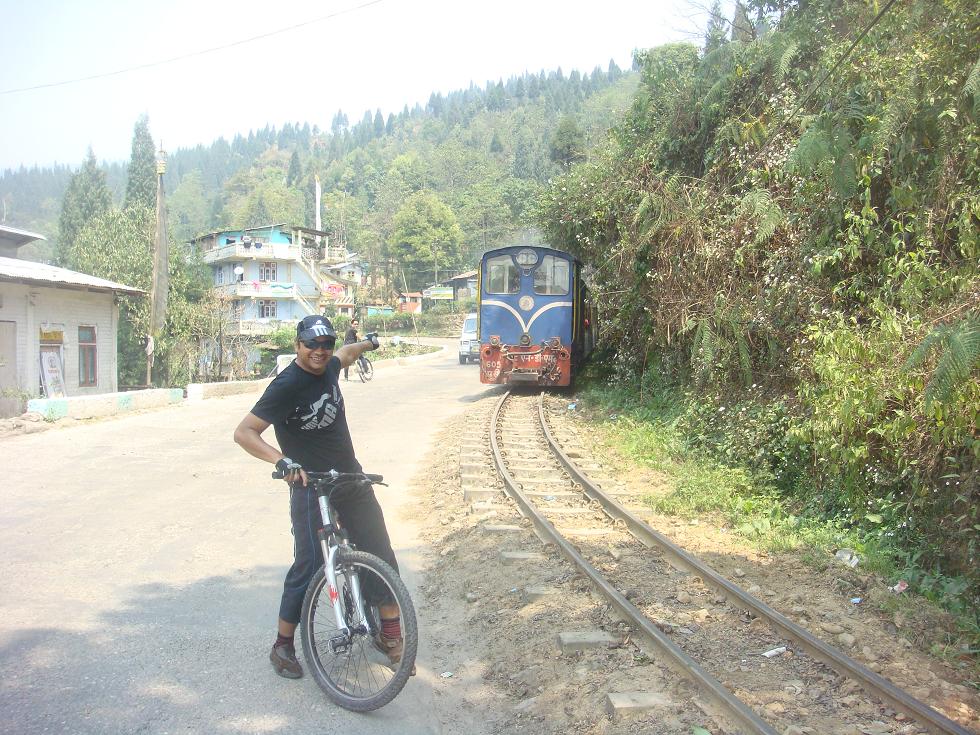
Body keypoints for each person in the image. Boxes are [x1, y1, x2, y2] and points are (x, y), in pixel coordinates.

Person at [233, 315, 405, 680]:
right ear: (297, 345)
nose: (320, 351)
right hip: (309, 485)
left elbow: (348, 351)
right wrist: (281, 461)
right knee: (309, 564)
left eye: (325, 344)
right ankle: (282, 645)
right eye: (312, 344)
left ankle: (390, 636)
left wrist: (370, 344)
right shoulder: (287, 385)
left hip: (348, 476)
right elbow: (245, 432)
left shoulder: (330, 366)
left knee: (380, 551)